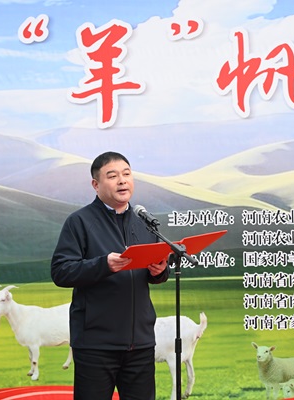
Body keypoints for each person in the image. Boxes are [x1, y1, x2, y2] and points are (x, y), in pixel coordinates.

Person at [51, 151, 170, 400]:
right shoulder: (80, 222)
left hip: (140, 343)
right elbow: (61, 271)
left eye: (127, 174)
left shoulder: (144, 222)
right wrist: (103, 264)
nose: (122, 181)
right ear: (96, 185)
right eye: (113, 176)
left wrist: (160, 272)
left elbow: (151, 271)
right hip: (96, 344)